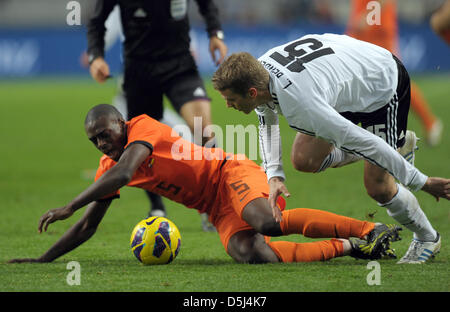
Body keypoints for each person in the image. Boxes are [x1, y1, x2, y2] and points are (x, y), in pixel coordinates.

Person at [8, 104, 402, 264]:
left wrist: (68, 205)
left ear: (120, 124)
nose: (102, 143)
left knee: (265, 221)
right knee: (253, 255)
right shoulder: (107, 166)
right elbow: (89, 226)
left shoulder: (142, 128)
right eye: (94, 141)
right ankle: (352, 247)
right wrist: (44, 259)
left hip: (228, 172)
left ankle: (369, 228)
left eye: (105, 134)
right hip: (213, 207)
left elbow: (126, 173)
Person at [212, 33, 450, 264]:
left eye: (230, 99)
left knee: (378, 186)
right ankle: (395, 148)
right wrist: (274, 175)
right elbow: (267, 120)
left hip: (381, 86)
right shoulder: (258, 74)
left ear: (252, 93)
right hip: (341, 83)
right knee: (304, 159)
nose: (228, 105)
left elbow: (366, 142)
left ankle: (427, 238)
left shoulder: (302, 105)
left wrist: (423, 182)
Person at [86, 0, 228, 231]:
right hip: (139, 70)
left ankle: (213, 204)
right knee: (136, 142)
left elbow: (206, 3)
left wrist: (215, 33)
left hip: (179, 64)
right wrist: (96, 56)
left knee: (203, 128)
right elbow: (97, 20)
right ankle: (157, 207)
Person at [346, 0, 443, 146]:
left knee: (395, 80)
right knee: (352, 77)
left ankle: (430, 122)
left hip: (376, 31)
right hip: (363, 31)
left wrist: (367, 17)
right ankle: (346, 130)